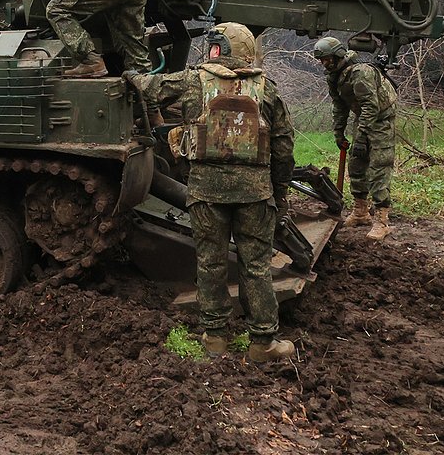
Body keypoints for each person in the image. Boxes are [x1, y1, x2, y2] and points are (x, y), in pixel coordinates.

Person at [127, 23, 296, 363]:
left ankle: (215, 337)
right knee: (256, 267)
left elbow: (149, 87)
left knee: (210, 263)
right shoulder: (268, 91)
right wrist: (278, 194)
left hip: (206, 193)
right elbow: (284, 151)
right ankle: (263, 342)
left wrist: (132, 73)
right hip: (255, 195)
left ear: (217, 49)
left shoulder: (192, 81)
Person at [312, 36, 397, 241]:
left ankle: (382, 220)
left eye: (327, 59)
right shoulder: (335, 76)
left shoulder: (361, 73)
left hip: (381, 118)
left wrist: (361, 138)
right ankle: (361, 212)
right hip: (364, 117)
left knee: (379, 165)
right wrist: (338, 133)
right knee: (356, 163)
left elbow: (372, 106)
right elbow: (339, 106)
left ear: (338, 55)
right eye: (321, 60)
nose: (324, 63)